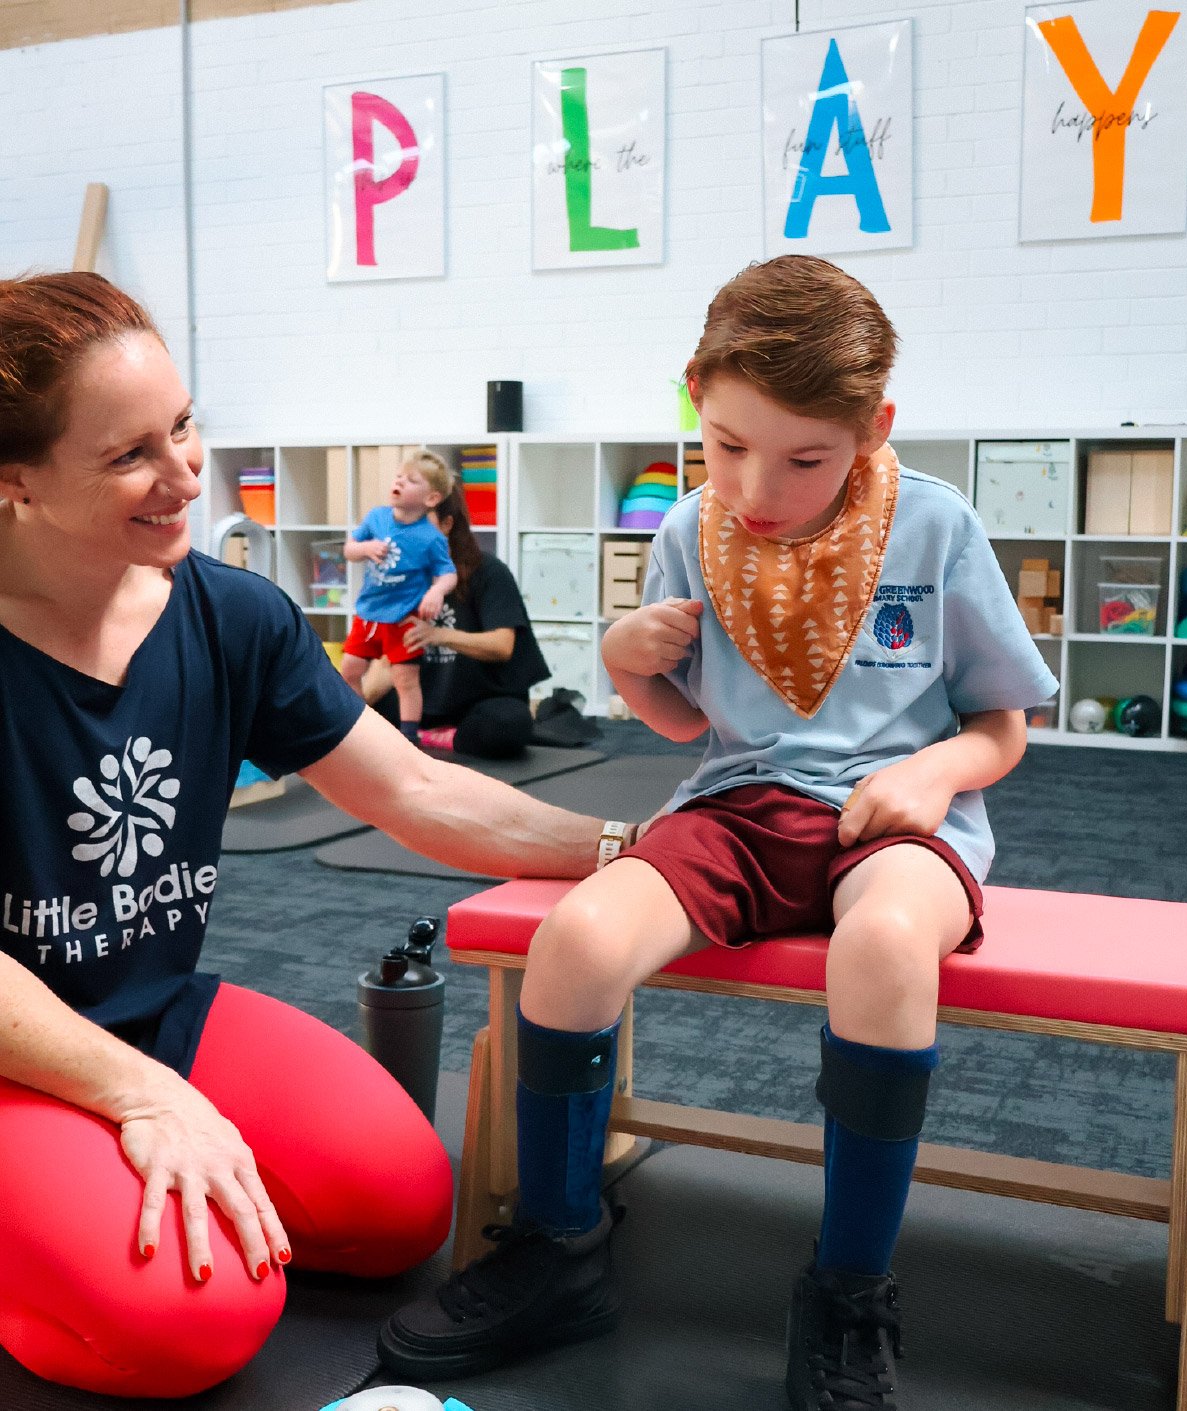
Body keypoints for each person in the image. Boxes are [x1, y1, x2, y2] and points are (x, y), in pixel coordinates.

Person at [378, 256, 1059, 1409]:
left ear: (872, 426)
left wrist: (934, 774)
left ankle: (848, 1293)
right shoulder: (695, 530)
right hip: (737, 808)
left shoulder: (935, 526)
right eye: (728, 444)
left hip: (893, 824)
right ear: (695, 395)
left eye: (805, 458)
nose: (759, 485)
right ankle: (559, 1249)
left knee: (886, 948)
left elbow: (1002, 728)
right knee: (578, 943)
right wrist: (622, 662)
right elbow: (689, 721)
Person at [0, 271, 640, 1400]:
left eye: (185, 425)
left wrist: (628, 847)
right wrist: (141, 1099)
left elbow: (414, 791)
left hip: (151, 1010)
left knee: (399, 1205)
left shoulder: (228, 613)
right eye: (128, 455)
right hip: (14, 1048)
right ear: (16, 483)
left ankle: (88, 1193)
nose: (186, 471)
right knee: (196, 1324)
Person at [365, 476, 549, 760]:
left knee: (508, 724)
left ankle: (435, 738)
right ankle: (423, 733)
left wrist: (437, 635)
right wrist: (348, 709)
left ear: (447, 525)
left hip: (480, 703)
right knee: (360, 716)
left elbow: (502, 646)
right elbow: (384, 663)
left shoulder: (488, 571)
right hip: (420, 702)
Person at [340, 449, 459, 743]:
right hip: (369, 613)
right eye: (399, 477)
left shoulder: (431, 538)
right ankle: (360, 727)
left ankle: (409, 736)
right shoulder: (377, 518)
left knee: (405, 679)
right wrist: (365, 549)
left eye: (411, 480)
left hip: (403, 618)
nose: (400, 482)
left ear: (431, 498)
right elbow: (349, 549)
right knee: (350, 670)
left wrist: (436, 590)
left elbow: (448, 574)